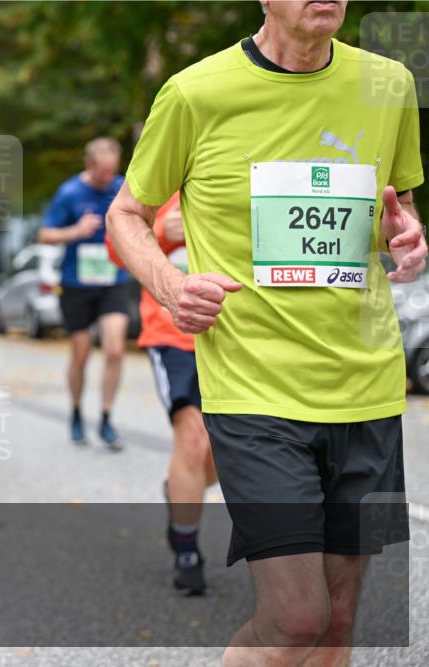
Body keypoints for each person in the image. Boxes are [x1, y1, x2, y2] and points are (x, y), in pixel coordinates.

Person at [106, 1, 426, 663]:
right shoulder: (197, 92)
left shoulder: (388, 85)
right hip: (253, 392)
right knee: (294, 617)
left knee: (338, 621)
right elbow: (126, 215)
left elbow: (400, 205)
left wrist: (408, 237)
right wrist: (171, 286)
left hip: (365, 387)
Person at [107, 193, 215, 595]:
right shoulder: (155, 184)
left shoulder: (243, 166)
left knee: (227, 448)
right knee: (191, 439)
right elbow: (117, 248)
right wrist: (160, 234)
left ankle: (179, 489)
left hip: (239, 335)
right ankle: (186, 549)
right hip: (175, 335)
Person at [38, 137, 129, 449]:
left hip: (112, 280)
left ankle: (105, 417)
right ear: (89, 165)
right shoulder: (70, 192)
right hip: (76, 284)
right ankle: (76, 411)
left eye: (112, 172)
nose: (108, 180)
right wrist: (75, 231)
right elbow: (46, 234)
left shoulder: (122, 187)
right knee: (81, 352)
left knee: (115, 349)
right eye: (102, 173)